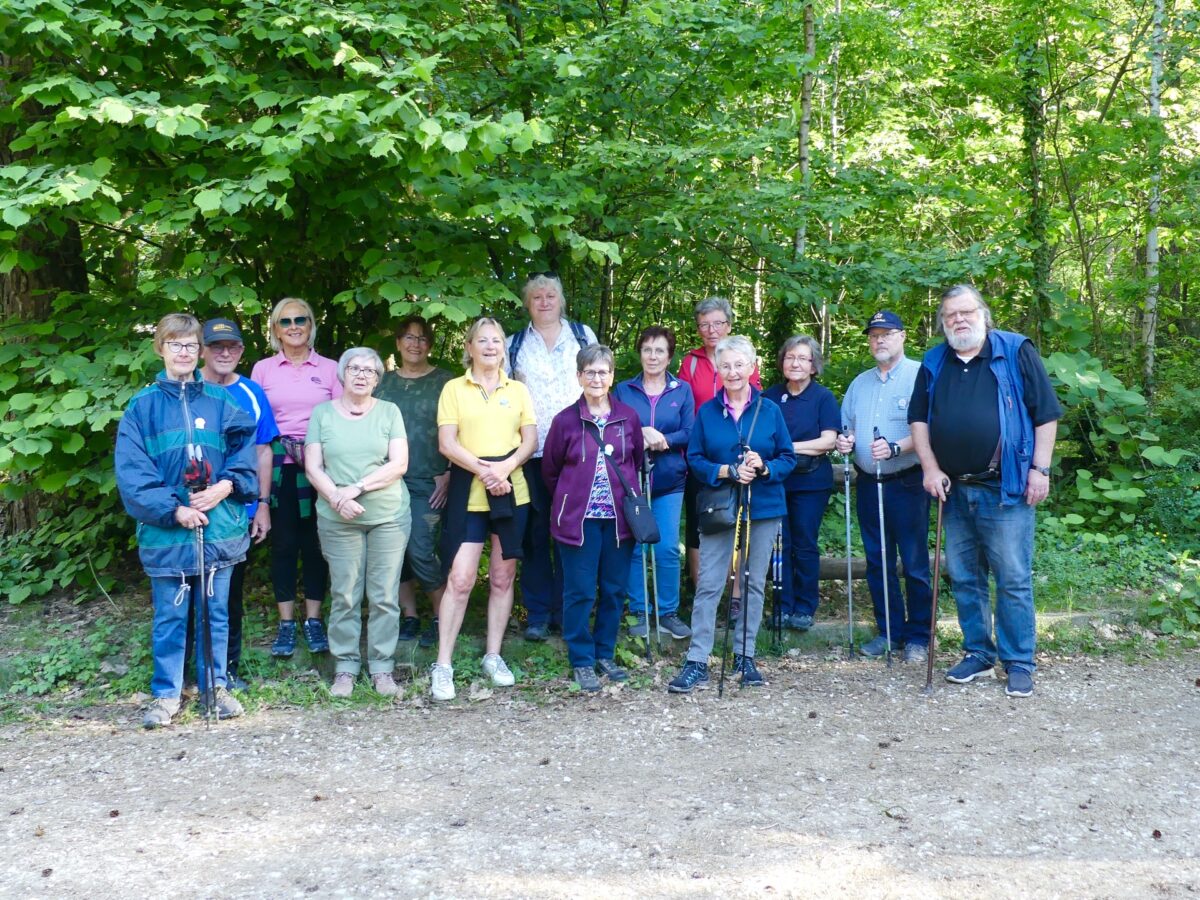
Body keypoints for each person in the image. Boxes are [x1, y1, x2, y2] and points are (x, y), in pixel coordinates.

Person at [909, 285, 1062, 698]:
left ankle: (1019, 662)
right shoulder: (934, 360)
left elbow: (1045, 414)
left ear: (984, 313)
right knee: (964, 577)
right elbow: (918, 420)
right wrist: (930, 467)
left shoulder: (1014, 351)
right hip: (954, 490)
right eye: (950, 316)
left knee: (1012, 577)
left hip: (1005, 487)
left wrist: (1040, 469)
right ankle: (978, 652)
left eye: (966, 312)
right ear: (943, 323)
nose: (959, 320)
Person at [115, 314, 257, 728]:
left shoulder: (222, 402)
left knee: (216, 612)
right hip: (167, 532)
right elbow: (133, 472)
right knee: (170, 615)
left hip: (220, 528)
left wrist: (225, 487)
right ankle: (166, 695)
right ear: (160, 348)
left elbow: (245, 454)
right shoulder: (142, 408)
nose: (183, 352)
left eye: (191, 345)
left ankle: (216, 688)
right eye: (175, 344)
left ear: (200, 351)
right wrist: (174, 510)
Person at [669, 336, 795, 693]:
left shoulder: (769, 410)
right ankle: (697, 660)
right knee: (709, 582)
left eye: (740, 364)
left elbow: (788, 457)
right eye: (726, 365)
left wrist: (764, 466)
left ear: (752, 367)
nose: (733, 371)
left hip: (764, 505)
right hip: (720, 507)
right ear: (718, 370)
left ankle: (745, 655)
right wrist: (726, 471)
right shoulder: (707, 411)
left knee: (754, 580)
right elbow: (694, 459)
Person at [433, 317, 538, 701]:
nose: (490, 346)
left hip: (512, 488)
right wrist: (485, 471)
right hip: (469, 486)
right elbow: (447, 443)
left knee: (501, 578)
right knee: (460, 579)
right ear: (470, 347)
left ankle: (493, 656)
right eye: (483, 340)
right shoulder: (453, 389)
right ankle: (443, 664)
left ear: (503, 349)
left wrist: (505, 469)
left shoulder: (519, 390)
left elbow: (530, 440)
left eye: (496, 341)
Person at [305, 348, 411, 698]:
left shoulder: (389, 412)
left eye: (370, 370)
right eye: (354, 368)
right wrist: (337, 497)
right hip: (338, 518)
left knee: (383, 594)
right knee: (345, 593)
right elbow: (313, 467)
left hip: (388, 516)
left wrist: (356, 488)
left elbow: (398, 464)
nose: (362, 375)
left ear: (378, 379)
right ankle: (345, 669)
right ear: (342, 373)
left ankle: (382, 669)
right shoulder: (322, 413)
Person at [542, 345, 646, 691]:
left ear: (612, 376)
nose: (596, 378)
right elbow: (551, 471)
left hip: (619, 522)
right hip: (578, 522)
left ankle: (605, 653)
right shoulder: (565, 421)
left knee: (614, 591)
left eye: (603, 372)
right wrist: (571, 500)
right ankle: (582, 659)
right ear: (579, 377)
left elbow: (637, 462)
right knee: (580, 592)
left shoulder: (628, 417)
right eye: (590, 372)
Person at [184, 318, 279, 691]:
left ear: (242, 351)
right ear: (202, 350)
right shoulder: (184, 391)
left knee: (227, 596)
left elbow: (263, 451)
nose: (225, 353)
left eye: (233, 347)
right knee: (184, 593)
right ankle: (187, 675)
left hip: (236, 512)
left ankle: (227, 671)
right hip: (187, 510)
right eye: (216, 347)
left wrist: (263, 505)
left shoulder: (251, 392)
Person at [834, 311, 932, 662]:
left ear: (902, 336)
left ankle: (920, 636)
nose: (879, 340)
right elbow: (846, 428)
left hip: (906, 482)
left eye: (887, 333)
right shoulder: (860, 384)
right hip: (868, 483)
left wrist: (896, 447)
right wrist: (845, 442)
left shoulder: (920, 375)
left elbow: (931, 428)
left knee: (915, 562)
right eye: (874, 335)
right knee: (878, 561)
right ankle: (889, 632)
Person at [506, 272, 597, 640]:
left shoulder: (582, 335)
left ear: (561, 300)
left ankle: (567, 611)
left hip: (578, 452)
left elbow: (598, 381)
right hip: (528, 452)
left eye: (551, 296)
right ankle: (539, 614)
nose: (545, 302)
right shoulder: (513, 345)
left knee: (572, 532)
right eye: (537, 297)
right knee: (534, 535)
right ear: (528, 303)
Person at [251, 297, 340, 658]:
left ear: (311, 323)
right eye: (284, 321)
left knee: (317, 546)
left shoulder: (332, 368)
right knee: (284, 546)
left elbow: (340, 418)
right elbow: (257, 426)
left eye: (300, 319)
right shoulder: (263, 370)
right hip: (279, 469)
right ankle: (287, 623)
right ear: (275, 329)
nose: (293, 326)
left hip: (322, 469)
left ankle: (314, 620)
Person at [374, 315, 453, 648]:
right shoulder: (383, 384)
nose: (414, 344)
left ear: (430, 344)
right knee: (394, 552)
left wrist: (449, 472)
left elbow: (459, 428)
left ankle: (441, 616)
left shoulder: (446, 382)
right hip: (388, 479)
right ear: (397, 343)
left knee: (421, 549)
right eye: (408, 337)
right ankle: (409, 615)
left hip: (429, 479)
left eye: (421, 338)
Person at [612, 326, 694, 640]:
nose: (653, 356)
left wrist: (662, 439)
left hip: (670, 480)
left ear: (669, 355)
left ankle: (667, 612)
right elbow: (616, 428)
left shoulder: (681, 390)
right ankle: (638, 611)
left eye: (660, 350)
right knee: (633, 548)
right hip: (631, 480)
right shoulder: (623, 389)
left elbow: (690, 431)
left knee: (668, 548)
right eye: (647, 349)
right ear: (640, 352)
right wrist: (640, 433)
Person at [677, 297, 761, 591]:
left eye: (717, 323)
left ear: (729, 324)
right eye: (704, 324)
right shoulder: (691, 361)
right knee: (700, 524)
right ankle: (703, 593)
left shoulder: (744, 359)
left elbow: (755, 404)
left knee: (737, 524)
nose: (711, 330)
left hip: (738, 455)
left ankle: (736, 594)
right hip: (701, 456)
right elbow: (682, 405)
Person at [763, 335, 839, 631]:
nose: (795, 363)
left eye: (802, 358)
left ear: (813, 366)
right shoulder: (769, 397)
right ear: (782, 361)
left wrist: (788, 447)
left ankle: (805, 608)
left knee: (805, 543)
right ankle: (782, 606)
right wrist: (798, 446)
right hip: (775, 482)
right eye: (790, 357)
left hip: (811, 482)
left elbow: (828, 441)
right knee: (779, 545)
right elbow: (761, 439)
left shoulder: (823, 397)